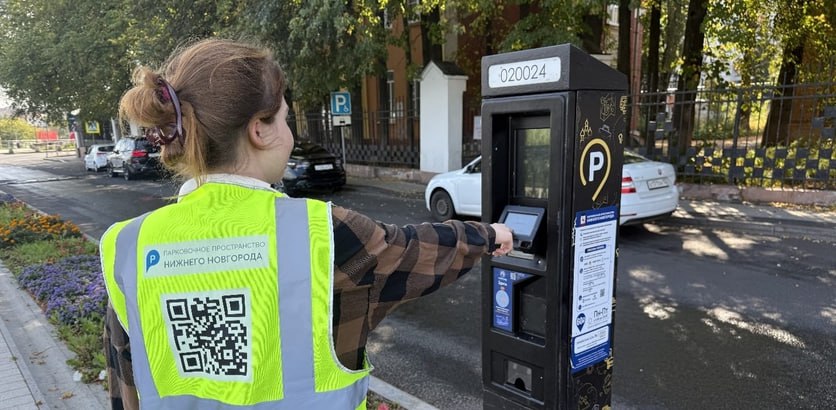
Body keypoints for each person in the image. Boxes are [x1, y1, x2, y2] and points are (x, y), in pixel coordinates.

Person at [100, 38, 513, 410]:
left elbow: (126, 383)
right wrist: (491, 235)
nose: (290, 133)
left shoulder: (128, 247)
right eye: (285, 118)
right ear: (259, 130)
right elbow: (417, 251)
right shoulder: (325, 235)